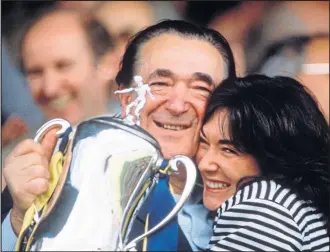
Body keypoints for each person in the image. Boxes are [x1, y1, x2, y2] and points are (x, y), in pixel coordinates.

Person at [2, 20, 236, 251]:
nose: (177, 105)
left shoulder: (248, 199)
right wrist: (19, 220)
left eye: (201, 89)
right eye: (160, 84)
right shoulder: (62, 171)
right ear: (126, 98)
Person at [196, 75, 329, 251]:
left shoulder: (263, 207)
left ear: (275, 156)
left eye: (229, 150)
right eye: (203, 142)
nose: (204, 164)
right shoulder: (296, 201)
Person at [1, 6, 121, 166]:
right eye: (35, 72)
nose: (50, 88)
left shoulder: (147, 144)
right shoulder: (14, 164)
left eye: (63, 66)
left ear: (108, 64)